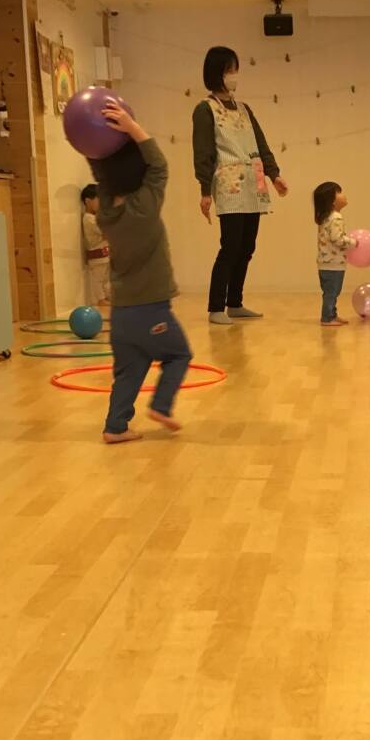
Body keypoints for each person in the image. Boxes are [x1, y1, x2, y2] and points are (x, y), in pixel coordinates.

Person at [91, 99, 192, 445]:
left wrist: (95, 144)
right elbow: (159, 165)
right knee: (179, 354)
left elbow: (103, 177)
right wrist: (132, 129)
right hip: (150, 308)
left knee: (129, 371)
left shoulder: (105, 212)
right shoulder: (144, 206)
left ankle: (115, 427)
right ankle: (161, 406)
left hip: (121, 312)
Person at [192, 46, 288, 325]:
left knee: (247, 247)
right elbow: (203, 152)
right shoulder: (205, 109)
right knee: (230, 246)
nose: (234, 75)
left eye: (235, 69)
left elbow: (261, 144)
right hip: (229, 184)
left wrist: (274, 175)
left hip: (253, 184)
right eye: (229, 70)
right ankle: (216, 307)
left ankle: (234, 302)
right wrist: (204, 190)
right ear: (217, 73)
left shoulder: (245, 109)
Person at [314, 181, 358, 327]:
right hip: (333, 264)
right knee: (332, 292)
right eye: (339, 192)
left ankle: (332, 314)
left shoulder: (326, 217)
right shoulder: (336, 217)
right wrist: (353, 242)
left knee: (331, 291)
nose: (343, 195)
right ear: (332, 201)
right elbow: (337, 239)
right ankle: (327, 318)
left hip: (326, 263)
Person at [81, 182, 110, 306]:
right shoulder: (89, 218)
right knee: (98, 279)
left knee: (105, 279)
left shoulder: (95, 217)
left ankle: (106, 297)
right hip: (97, 255)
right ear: (88, 201)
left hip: (105, 254)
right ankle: (100, 299)